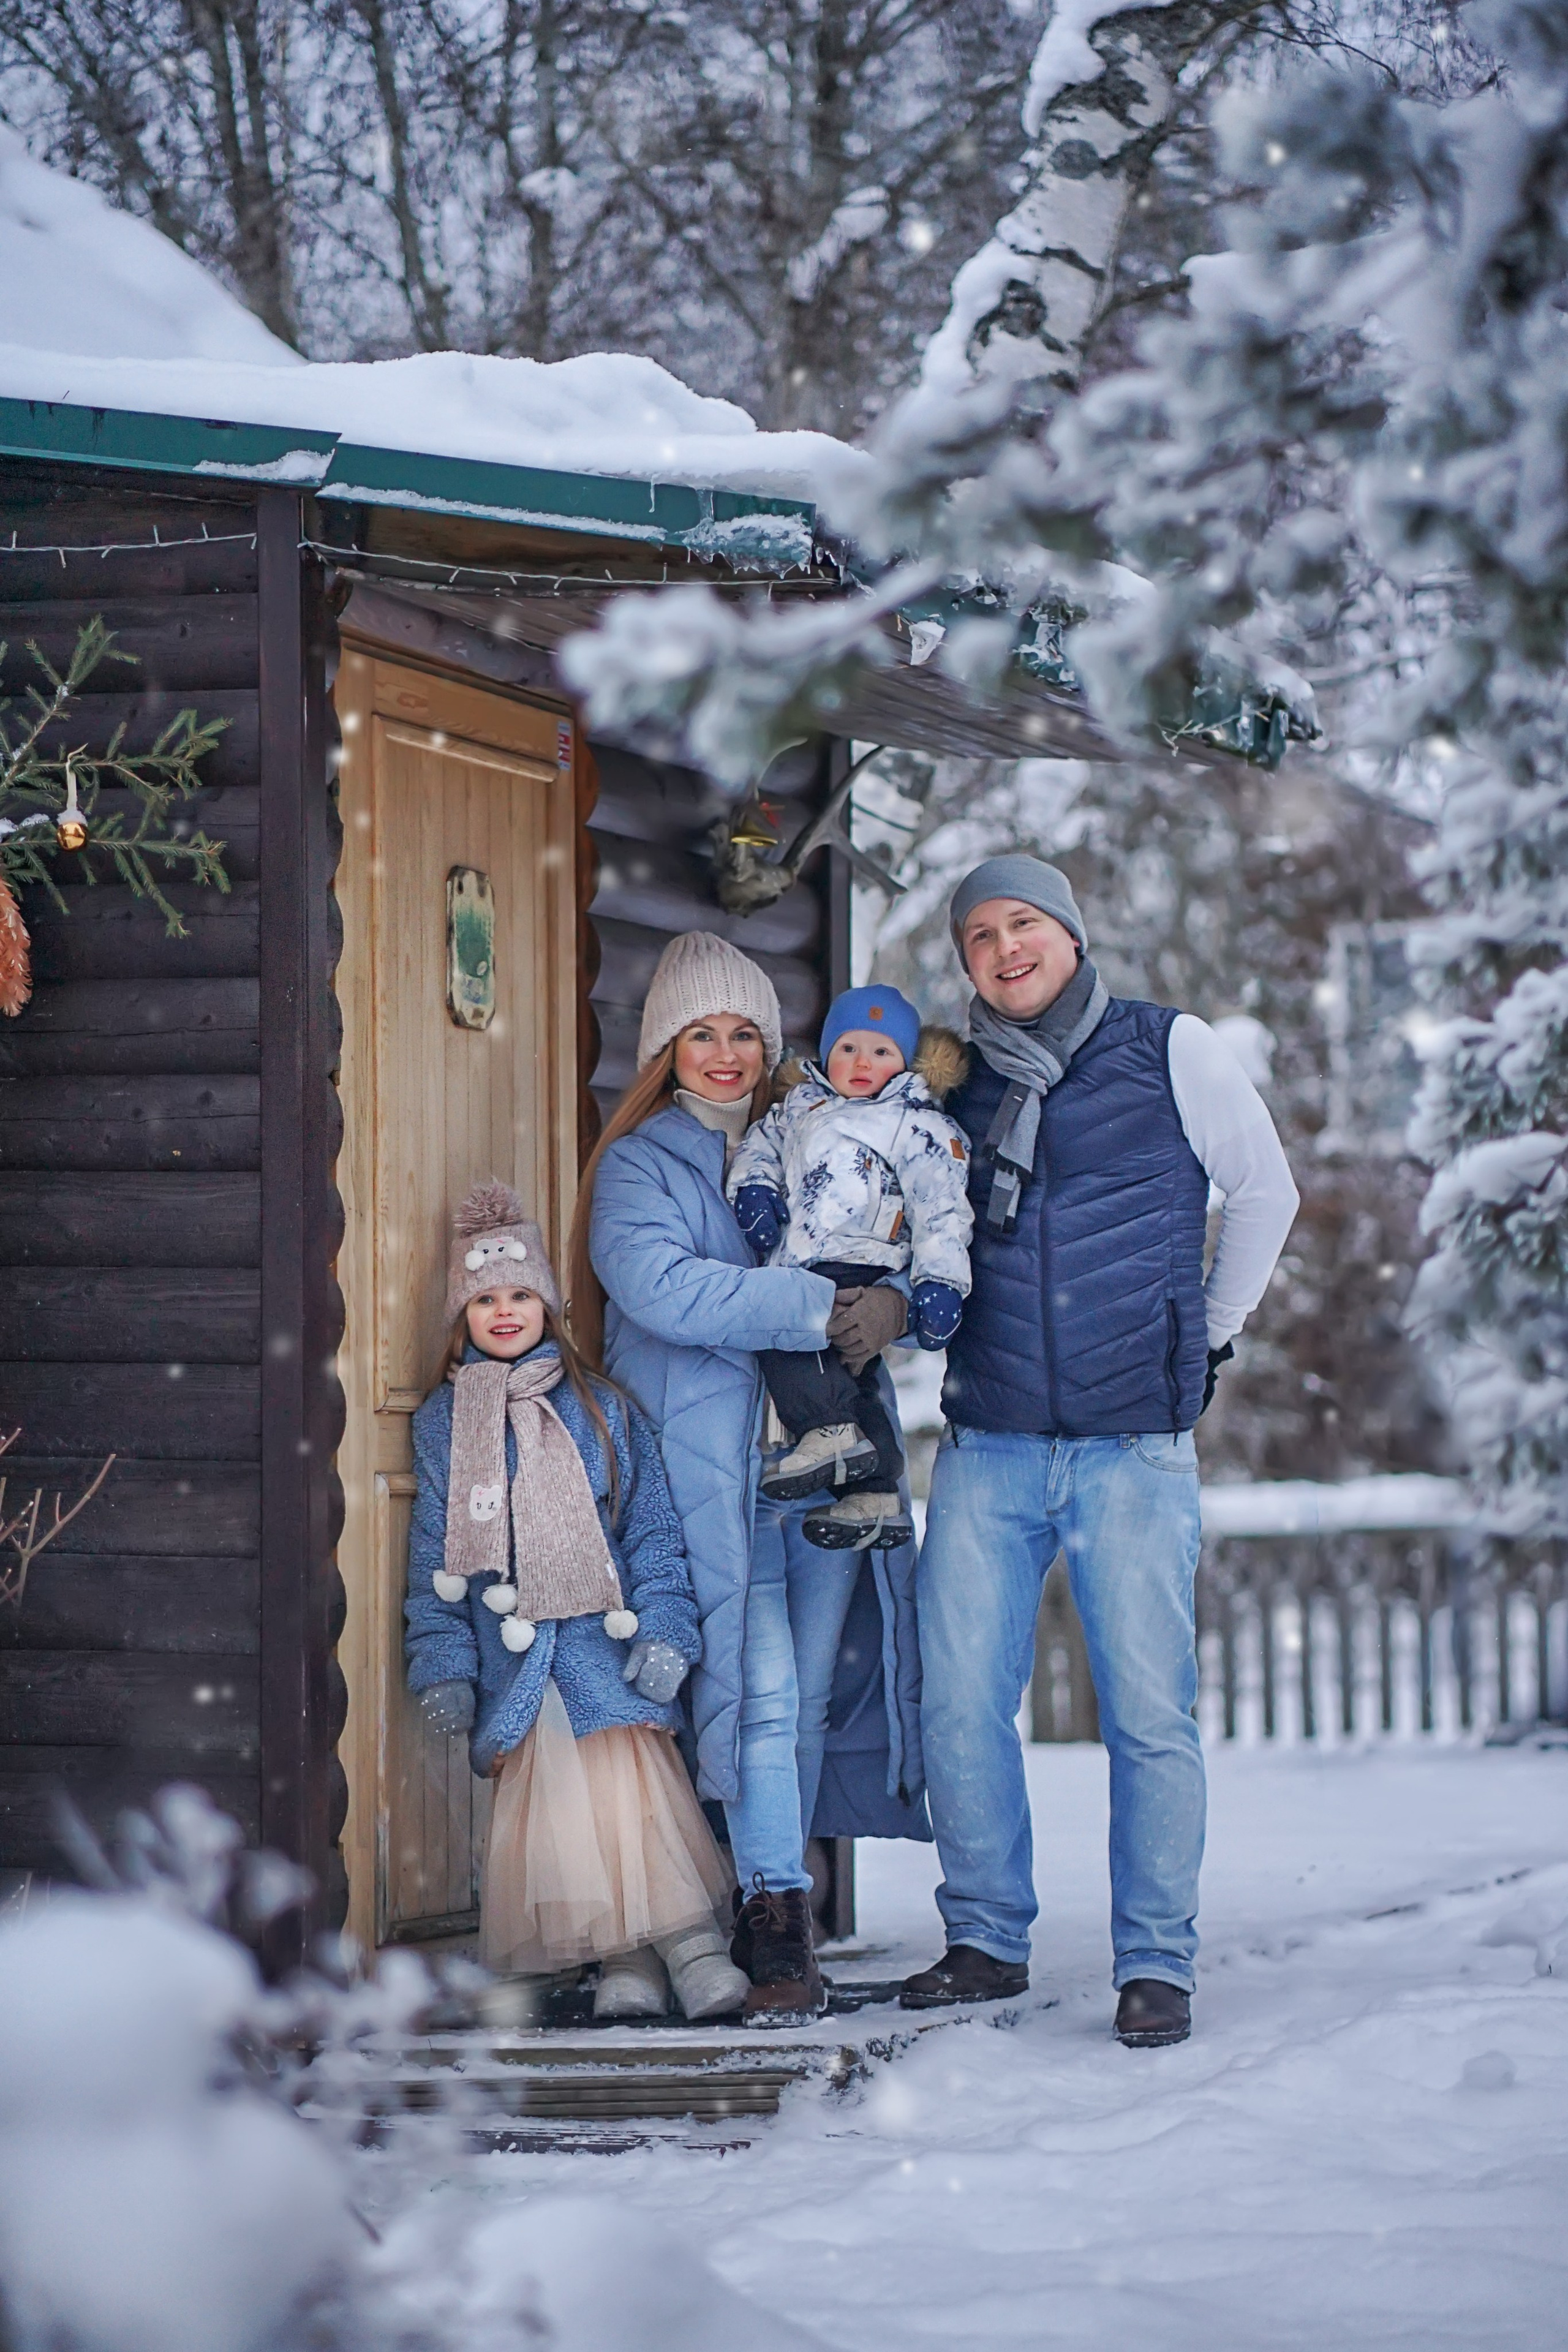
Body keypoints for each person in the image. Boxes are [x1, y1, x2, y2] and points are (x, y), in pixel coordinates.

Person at [902, 856, 1299, 2047]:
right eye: (979, 933)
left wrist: (1206, 1337)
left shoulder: (1165, 1047)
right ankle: (981, 1940)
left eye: (1024, 923)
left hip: (1133, 1445)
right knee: (959, 1704)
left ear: (1069, 935)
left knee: (1146, 1715)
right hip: (990, 1437)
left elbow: (1262, 1191)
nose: (1003, 948)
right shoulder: (951, 1080)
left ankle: (1154, 1966)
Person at [571, 932, 927, 2024]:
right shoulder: (639, 1167)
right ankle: (775, 1918)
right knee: (755, 1698)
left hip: (826, 1464)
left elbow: (894, 1240)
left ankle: (751, 1906)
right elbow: (664, 1292)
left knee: (801, 1705)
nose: (726, 1055)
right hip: (711, 1481)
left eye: (744, 1034)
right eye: (700, 1035)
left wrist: (897, 1301)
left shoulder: (819, 1136)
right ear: (664, 1051)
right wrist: (815, 1303)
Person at [404, 1180, 749, 2023]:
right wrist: (442, 1663)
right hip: (520, 1662)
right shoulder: (449, 1423)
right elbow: (435, 1559)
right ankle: (613, 1961)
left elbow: (654, 1535)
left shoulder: (602, 1409)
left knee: (635, 1815)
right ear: (463, 1316)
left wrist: (666, 1630)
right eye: (485, 1299)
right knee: (558, 1830)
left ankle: (685, 1951)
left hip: (606, 1648)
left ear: (550, 1307)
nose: (506, 1311)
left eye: (522, 1294)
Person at [728, 982, 973, 1551]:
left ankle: (827, 1432)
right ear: (827, 1054)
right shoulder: (799, 1108)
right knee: (854, 1377)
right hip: (806, 1259)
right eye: (849, 1049)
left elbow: (943, 1214)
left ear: (906, 1062)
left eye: (882, 1052)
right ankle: (877, 1492)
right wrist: (756, 1191)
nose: (863, 1063)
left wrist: (939, 1286)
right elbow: (759, 1149)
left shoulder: (917, 1125)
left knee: (787, 1345)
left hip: (865, 1262)